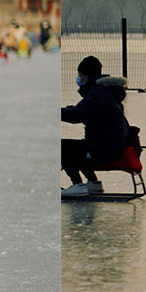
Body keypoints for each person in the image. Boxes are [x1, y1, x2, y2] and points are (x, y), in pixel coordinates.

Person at [61, 55, 131, 198]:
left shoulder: (97, 93)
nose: (78, 78)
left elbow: (77, 115)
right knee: (78, 147)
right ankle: (93, 184)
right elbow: (87, 111)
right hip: (110, 146)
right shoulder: (104, 92)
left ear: (86, 76)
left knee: (62, 147)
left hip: (103, 151)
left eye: (80, 75)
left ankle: (77, 185)